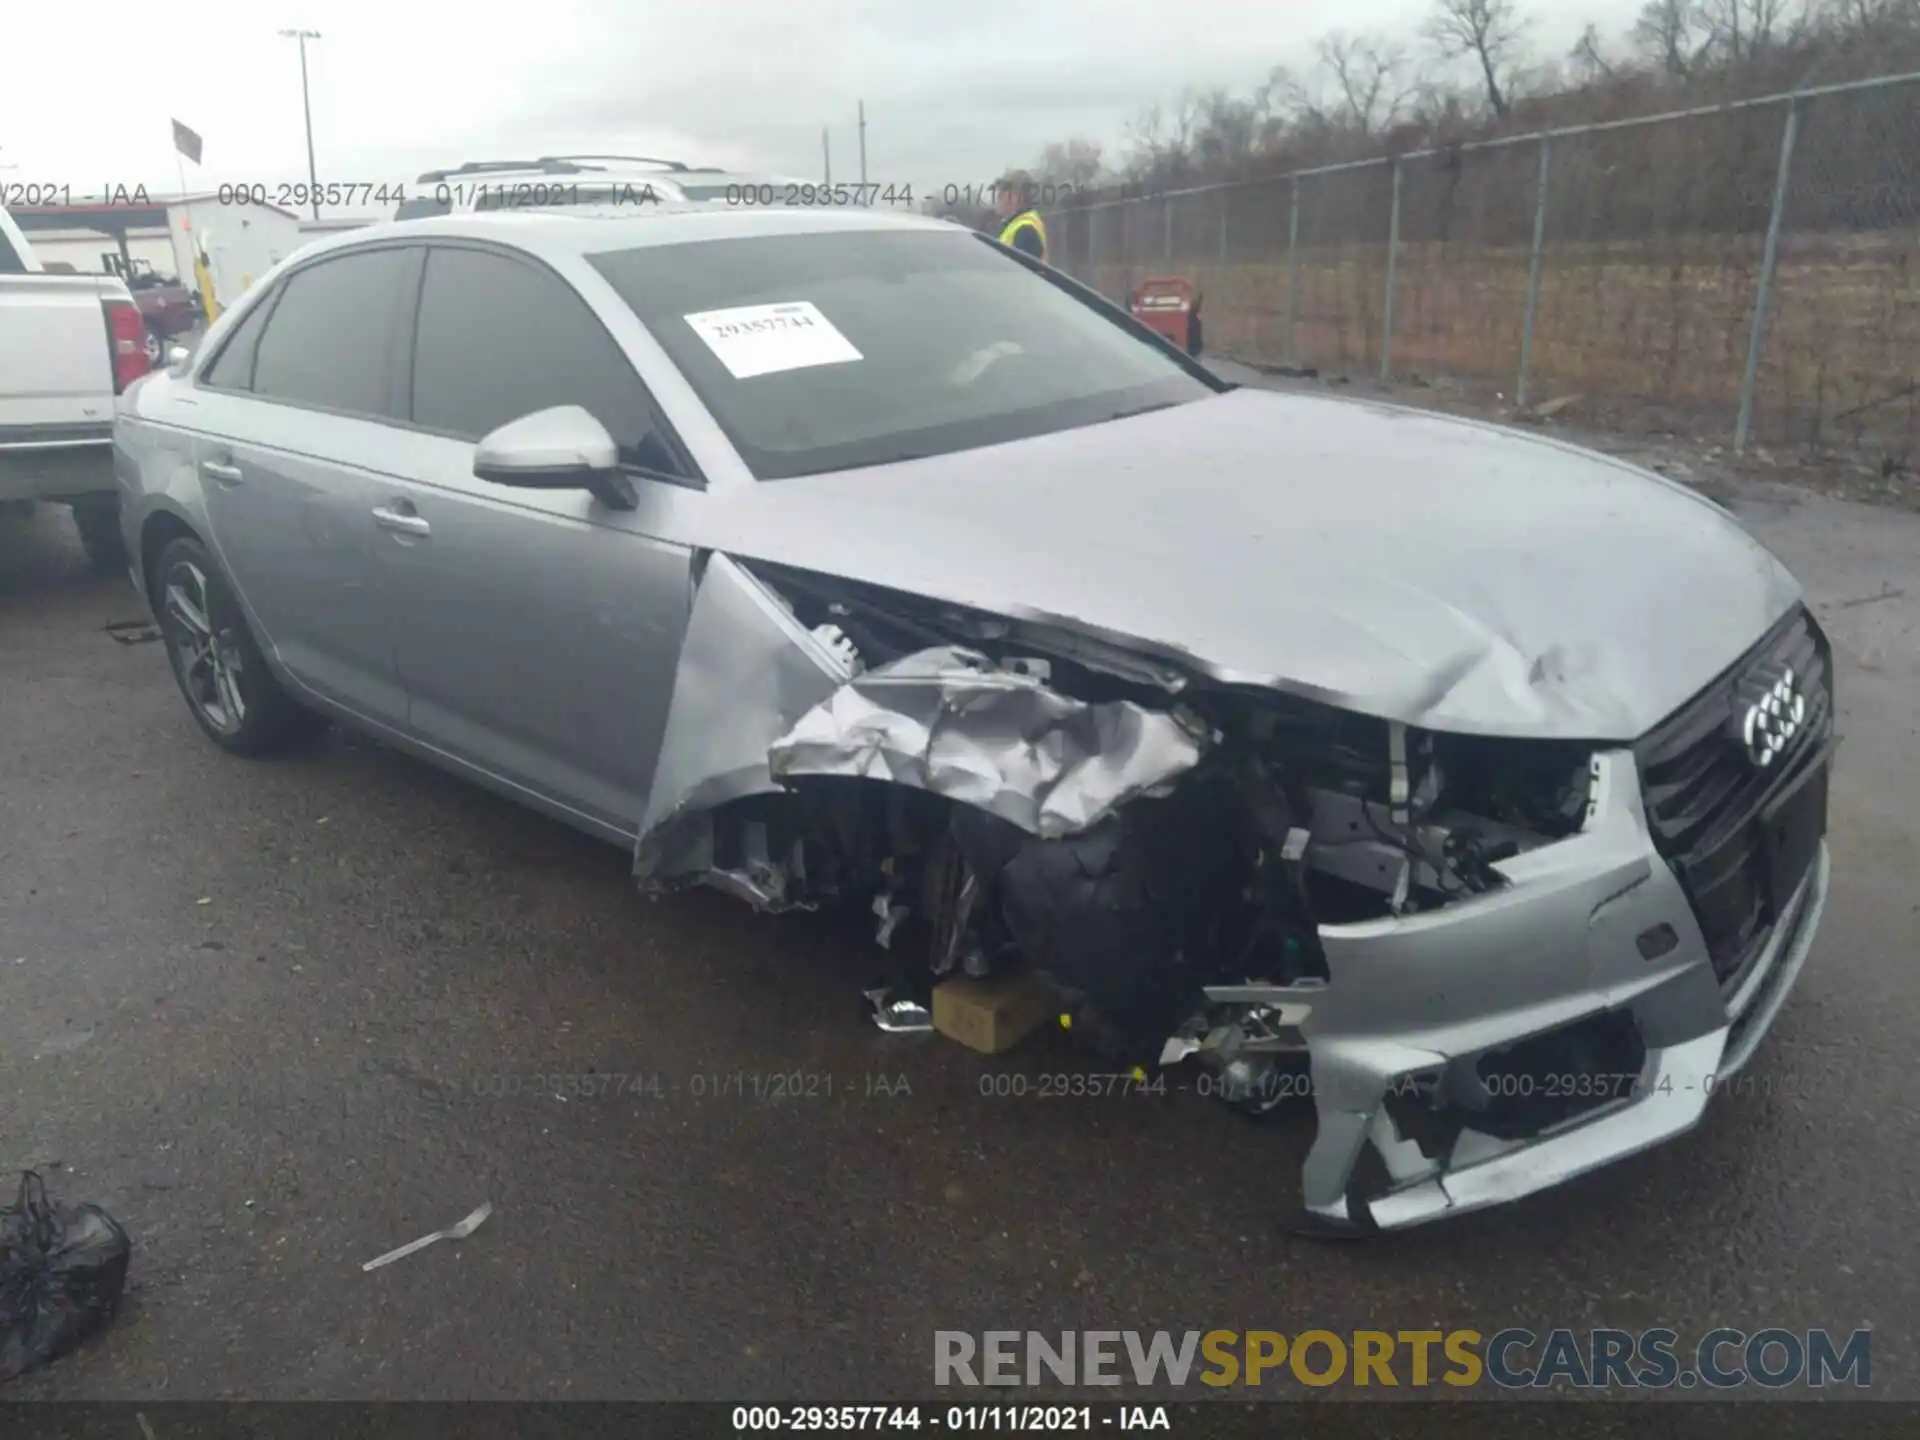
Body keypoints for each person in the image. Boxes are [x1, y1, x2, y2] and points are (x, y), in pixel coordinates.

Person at [992, 174, 1048, 264]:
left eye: (1004, 190)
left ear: (1018, 198)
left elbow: (1021, 273)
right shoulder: (1016, 226)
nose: (998, 195)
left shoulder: (1025, 230)